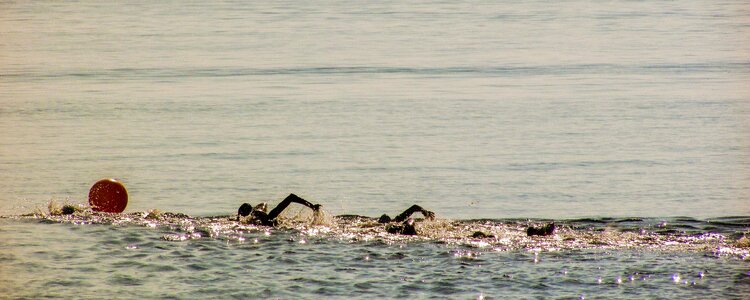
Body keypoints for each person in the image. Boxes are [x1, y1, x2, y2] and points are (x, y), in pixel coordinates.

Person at [237, 193, 321, 226]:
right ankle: (313, 207)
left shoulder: (255, 213)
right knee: (291, 198)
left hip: (269, 220)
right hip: (270, 219)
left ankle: (313, 207)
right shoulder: (256, 212)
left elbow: (263, 205)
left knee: (291, 198)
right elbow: (264, 204)